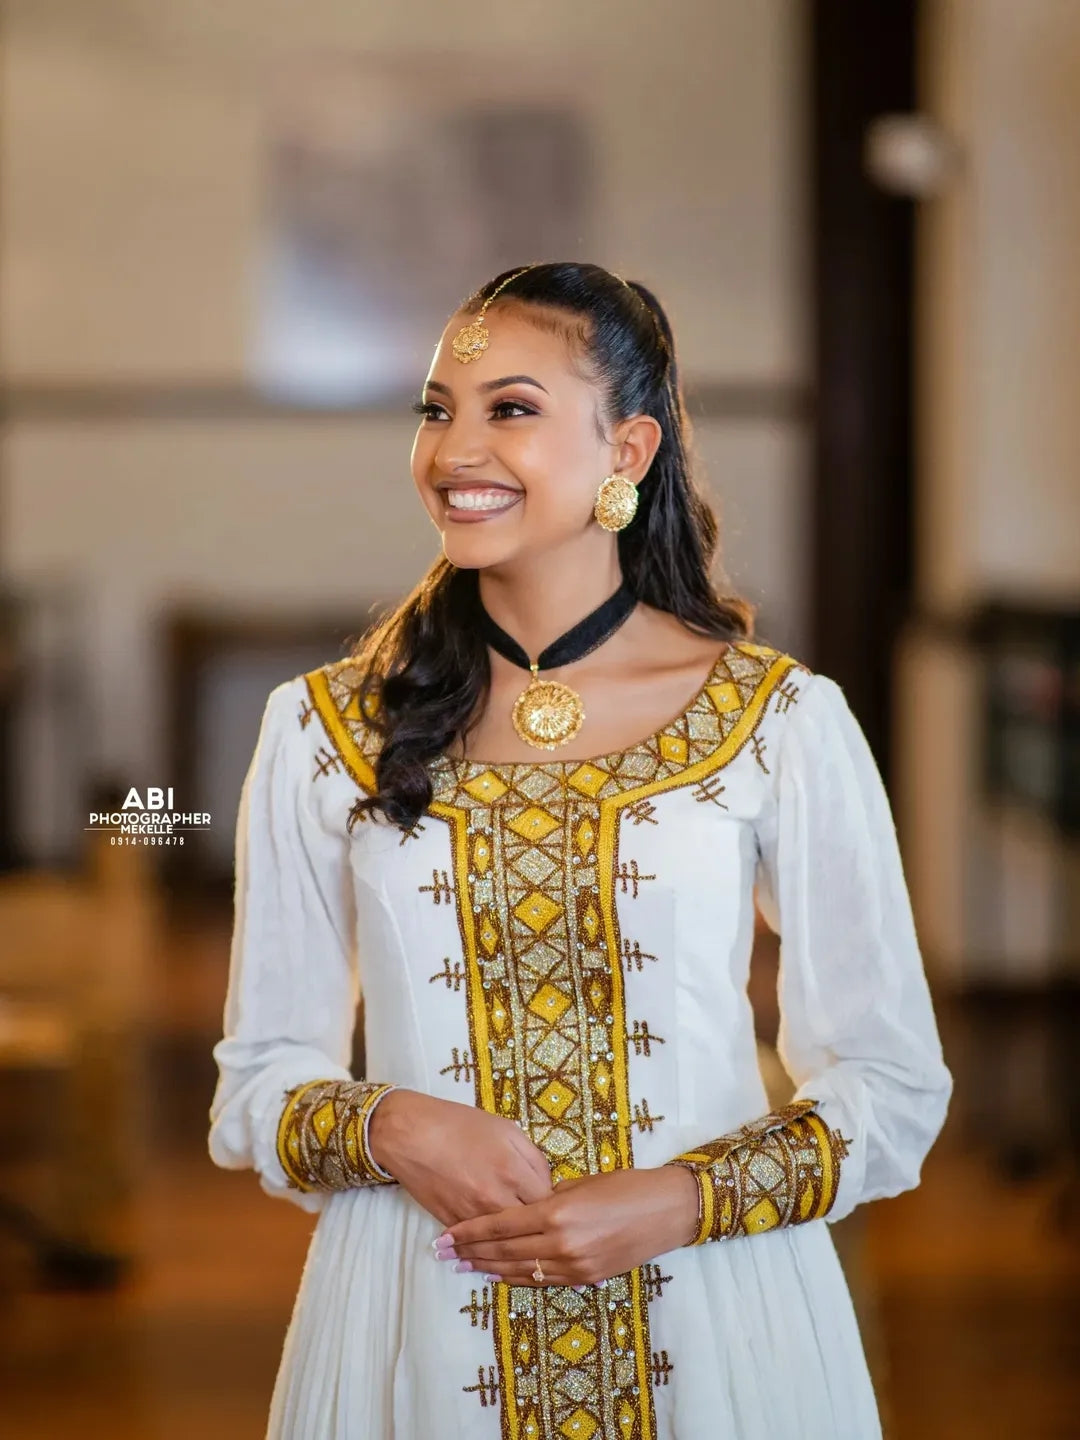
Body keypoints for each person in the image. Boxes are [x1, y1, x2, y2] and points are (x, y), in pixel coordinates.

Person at [208, 260, 953, 1439]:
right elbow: (257, 1089)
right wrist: (396, 1125)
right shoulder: (323, 730)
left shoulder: (779, 721)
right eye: (436, 410)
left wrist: (676, 1201)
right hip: (420, 1312)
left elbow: (893, 1088)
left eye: (511, 408)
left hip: (714, 1313)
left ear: (628, 451)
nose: (455, 449)